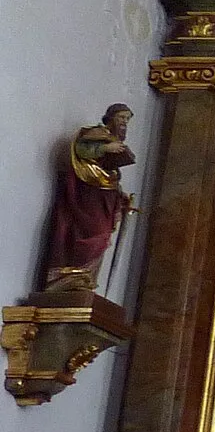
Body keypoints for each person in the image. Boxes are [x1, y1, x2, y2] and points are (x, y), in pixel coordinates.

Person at [38, 104, 135, 292]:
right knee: (91, 232)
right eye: (121, 117)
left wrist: (119, 194)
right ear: (110, 118)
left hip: (104, 193)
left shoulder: (116, 141)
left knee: (103, 236)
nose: (124, 123)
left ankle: (85, 277)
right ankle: (67, 276)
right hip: (87, 193)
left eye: (127, 119)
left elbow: (110, 170)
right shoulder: (95, 133)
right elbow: (81, 150)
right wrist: (106, 147)